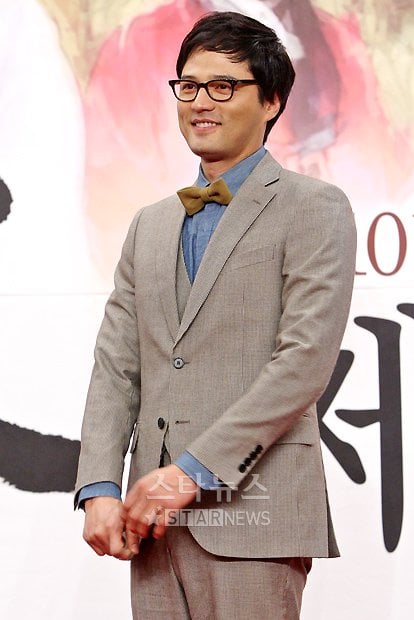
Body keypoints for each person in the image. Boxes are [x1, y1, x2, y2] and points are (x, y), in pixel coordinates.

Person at [75, 11, 356, 619]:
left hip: (256, 516)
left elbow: (305, 361)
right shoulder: (148, 224)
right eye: (189, 85)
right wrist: (98, 485)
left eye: (224, 86)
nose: (201, 102)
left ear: (272, 100)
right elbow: (117, 364)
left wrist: (190, 472)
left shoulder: (315, 207)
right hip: (150, 527)